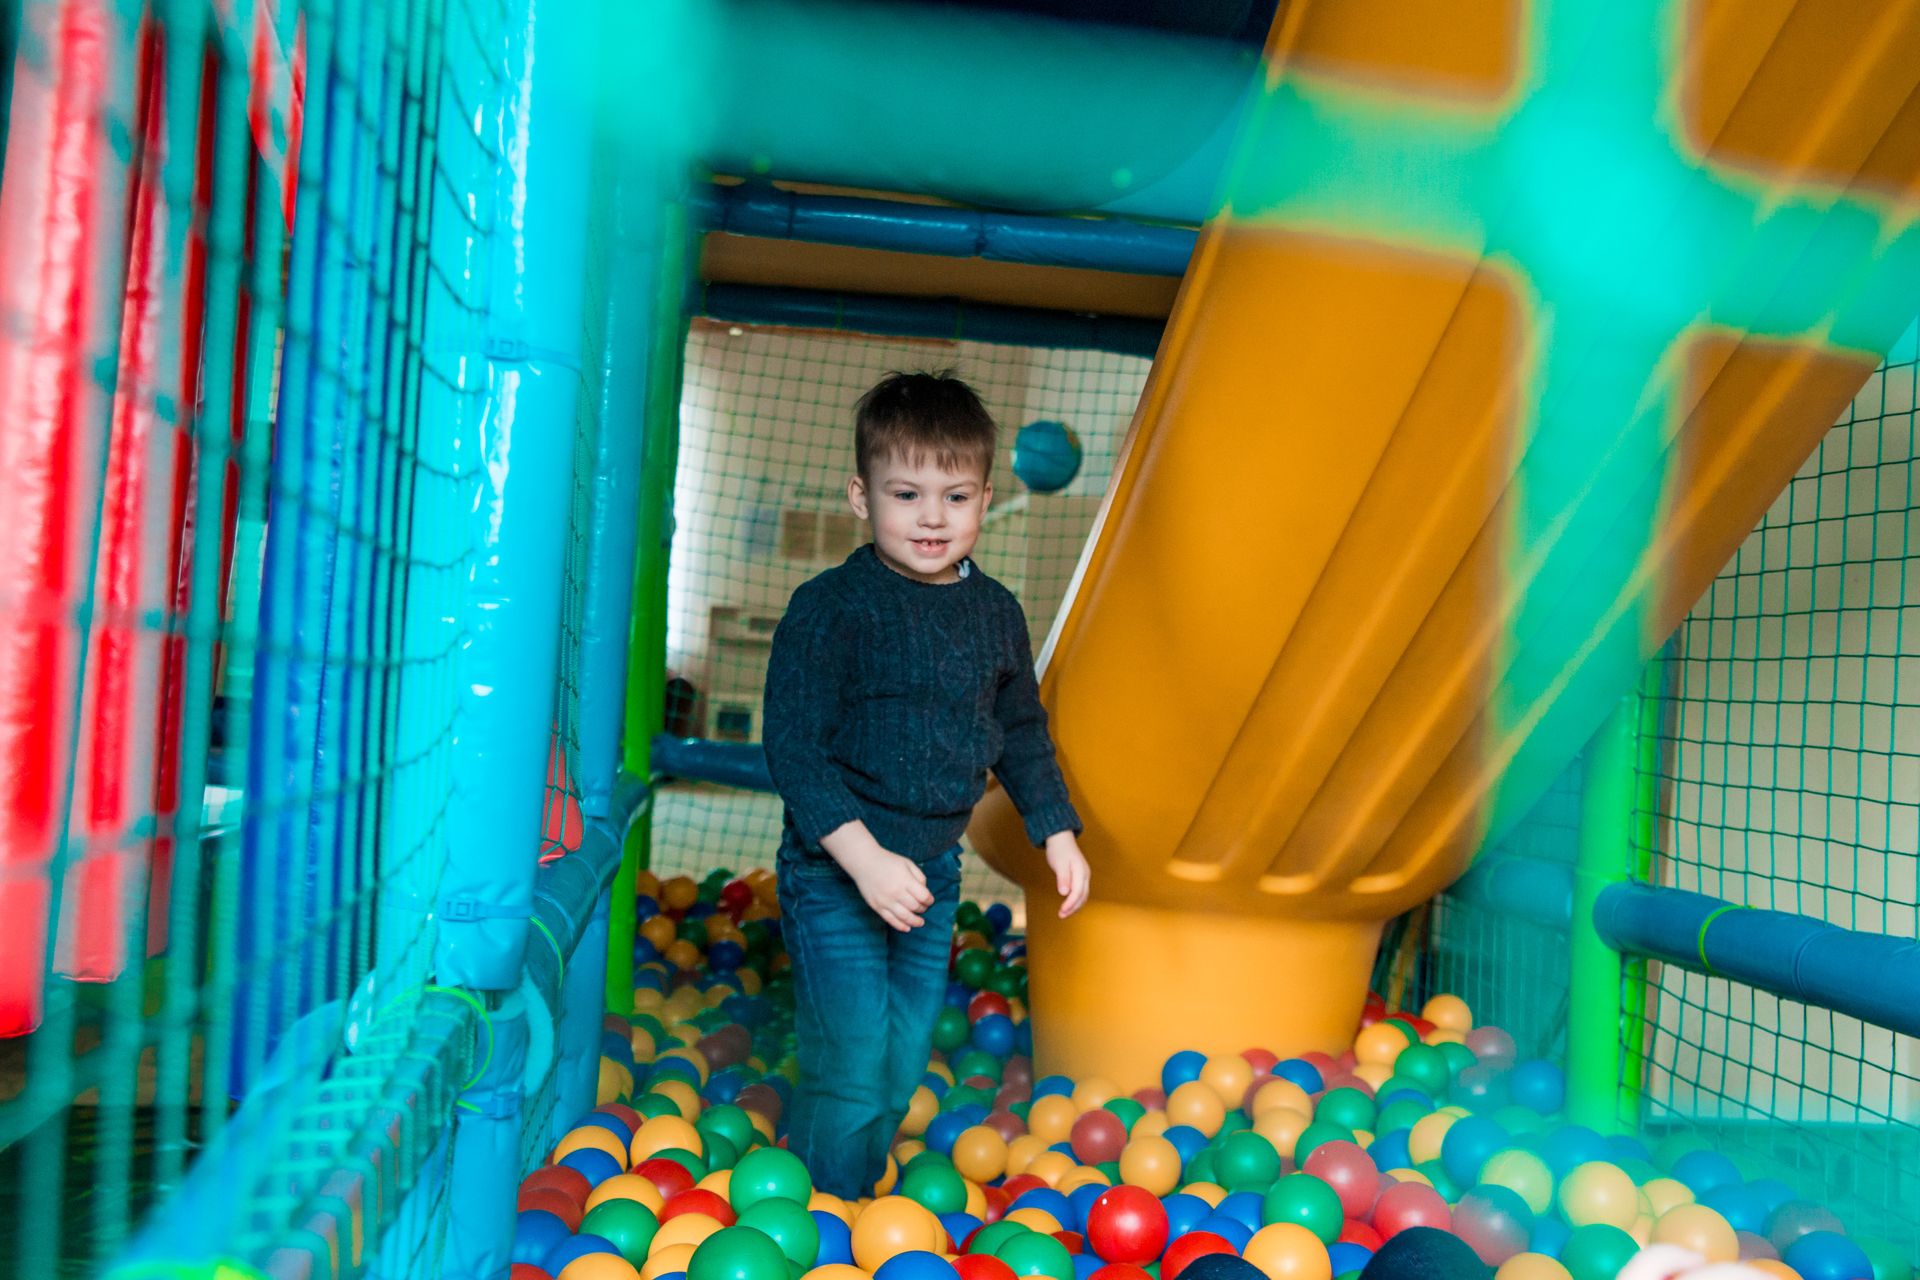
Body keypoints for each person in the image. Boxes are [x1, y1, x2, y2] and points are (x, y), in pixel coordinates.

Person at [761, 369, 1092, 1200]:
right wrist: (864, 860)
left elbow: (1020, 730)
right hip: (837, 872)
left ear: (986, 500)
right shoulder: (831, 607)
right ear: (861, 497)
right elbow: (794, 751)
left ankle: (843, 1186)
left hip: (932, 874)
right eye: (906, 495)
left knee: (901, 1062)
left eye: (955, 496)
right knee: (851, 1060)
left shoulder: (995, 614)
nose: (932, 518)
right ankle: (827, 1215)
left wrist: (1056, 830)